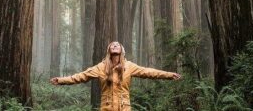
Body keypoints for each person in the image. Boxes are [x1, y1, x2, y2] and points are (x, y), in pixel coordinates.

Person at [50, 41, 181, 110]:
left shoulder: (129, 66)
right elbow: (80, 76)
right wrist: (61, 80)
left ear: (121, 51)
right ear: (109, 50)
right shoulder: (100, 67)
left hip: (124, 107)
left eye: (117, 44)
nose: (115, 45)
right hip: (106, 107)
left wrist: (169, 75)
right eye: (112, 44)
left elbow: (149, 72)